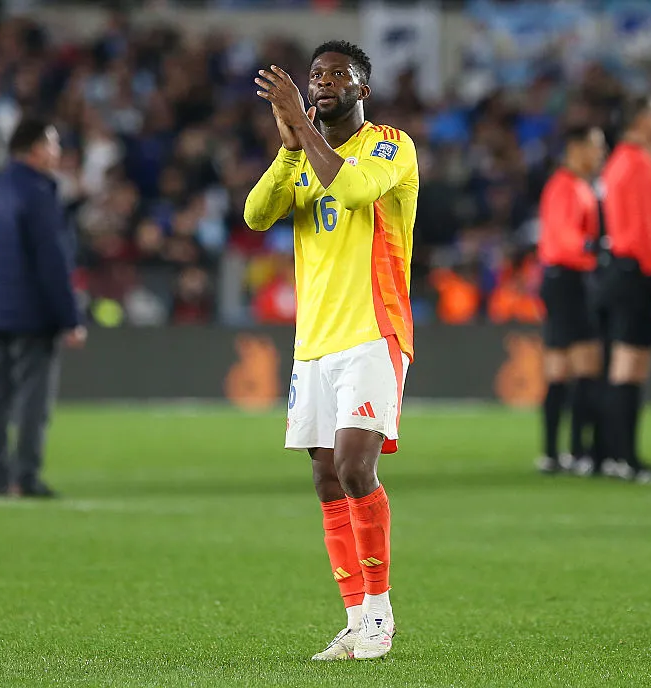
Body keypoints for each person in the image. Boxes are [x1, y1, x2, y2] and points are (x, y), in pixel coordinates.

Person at [244, 40, 417, 661]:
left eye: (336, 74)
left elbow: (351, 192)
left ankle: (380, 613)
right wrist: (290, 146)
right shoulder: (301, 156)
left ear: (361, 89)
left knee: (353, 467)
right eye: (314, 75)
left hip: (373, 329)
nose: (321, 82)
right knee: (324, 478)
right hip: (313, 343)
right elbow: (255, 215)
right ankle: (354, 617)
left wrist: (303, 129)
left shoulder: (390, 145)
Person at [0, 117, 86, 498]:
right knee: (34, 400)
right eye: (52, 145)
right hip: (31, 315)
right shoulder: (38, 194)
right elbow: (52, 261)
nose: (57, 153)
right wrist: (70, 318)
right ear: (35, 149)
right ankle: (27, 477)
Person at [600, 96, 651, 484]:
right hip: (638, 272)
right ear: (642, 120)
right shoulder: (642, 163)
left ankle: (614, 455)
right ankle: (625, 458)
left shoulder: (617, 163)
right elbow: (650, 229)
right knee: (631, 368)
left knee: (620, 368)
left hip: (620, 269)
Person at [534, 125, 606, 475]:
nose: (600, 154)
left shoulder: (575, 185)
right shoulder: (567, 186)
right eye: (596, 146)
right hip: (569, 280)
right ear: (576, 148)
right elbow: (565, 243)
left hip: (561, 280)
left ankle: (554, 453)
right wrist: (599, 255)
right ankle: (578, 452)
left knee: (561, 369)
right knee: (584, 366)